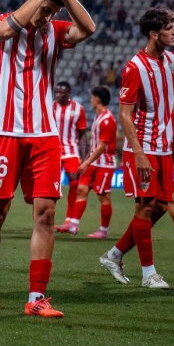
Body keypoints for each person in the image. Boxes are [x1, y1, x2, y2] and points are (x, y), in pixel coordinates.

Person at [0, 0, 94, 319]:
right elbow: (2, 33)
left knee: (45, 214)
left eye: (52, 13)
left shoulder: (55, 32)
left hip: (44, 135)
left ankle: (37, 297)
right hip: (3, 133)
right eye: (44, 10)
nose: (47, 17)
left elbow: (88, 28)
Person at [99, 6, 174, 289]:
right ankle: (149, 274)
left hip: (164, 148)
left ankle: (114, 255)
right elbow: (125, 114)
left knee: (161, 206)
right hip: (143, 148)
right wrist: (138, 153)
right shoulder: (134, 68)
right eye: (169, 27)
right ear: (154, 34)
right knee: (146, 207)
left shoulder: (173, 60)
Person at [65, 86, 118, 237]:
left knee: (103, 196)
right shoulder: (98, 117)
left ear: (97, 99)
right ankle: (73, 225)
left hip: (104, 164)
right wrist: (86, 160)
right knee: (81, 189)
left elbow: (102, 146)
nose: (91, 100)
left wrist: (87, 162)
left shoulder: (107, 120)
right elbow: (94, 144)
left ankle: (103, 230)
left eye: (92, 97)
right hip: (93, 162)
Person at [52, 82, 89, 231]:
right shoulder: (50, 107)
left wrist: (84, 157)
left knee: (75, 184)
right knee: (51, 186)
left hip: (71, 151)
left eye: (62, 92)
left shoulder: (78, 109)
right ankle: (48, 217)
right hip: (52, 151)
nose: (58, 95)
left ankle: (69, 219)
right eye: (57, 92)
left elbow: (82, 134)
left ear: (69, 93)